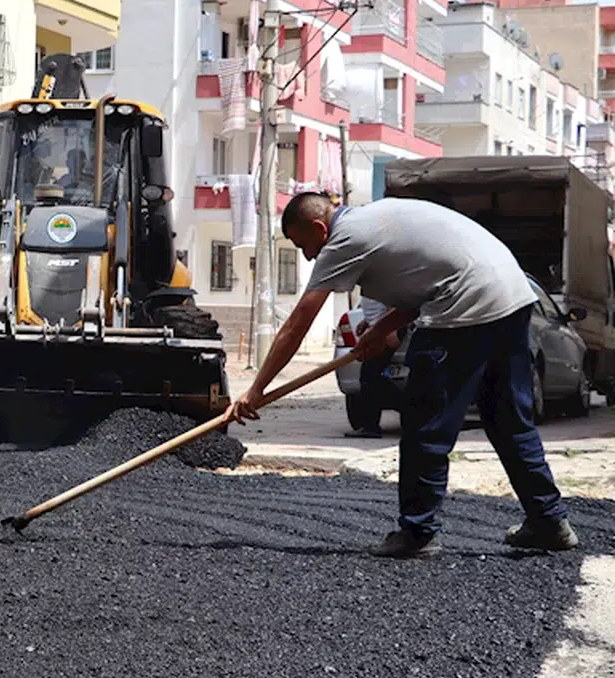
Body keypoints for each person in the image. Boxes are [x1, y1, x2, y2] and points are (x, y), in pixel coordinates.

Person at [224, 192, 578, 559]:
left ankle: (418, 531)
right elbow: (427, 284)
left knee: (427, 421)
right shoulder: (377, 220)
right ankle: (549, 521)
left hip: (467, 303)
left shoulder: (344, 237)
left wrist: (256, 389)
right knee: (509, 420)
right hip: (512, 295)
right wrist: (378, 330)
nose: (309, 256)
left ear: (319, 227)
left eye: (304, 245)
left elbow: (298, 323)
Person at [345, 295, 399, 439]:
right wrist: (366, 322)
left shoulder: (382, 277)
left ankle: (371, 427)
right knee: (371, 378)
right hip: (378, 329)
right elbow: (377, 308)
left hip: (384, 331)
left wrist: (389, 330)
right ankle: (370, 426)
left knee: (370, 378)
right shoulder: (369, 282)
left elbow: (394, 300)